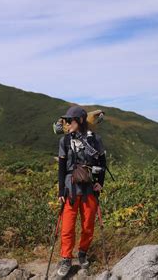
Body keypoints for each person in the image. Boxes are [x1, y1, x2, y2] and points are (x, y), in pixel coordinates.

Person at [56, 105, 106, 277]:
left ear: (81, 120)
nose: (67, 123)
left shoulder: (94, 140)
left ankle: (82, 253)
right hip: (70, 189)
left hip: (89, 188)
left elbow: (102, 161)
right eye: (66, 120)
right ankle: (66, 259)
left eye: (70, 120)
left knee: (88, 226)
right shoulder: (64, 141)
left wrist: (100, 183)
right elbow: (61, 167)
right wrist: (61, 191)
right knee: (67, 227)